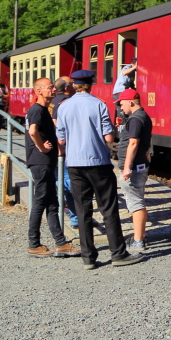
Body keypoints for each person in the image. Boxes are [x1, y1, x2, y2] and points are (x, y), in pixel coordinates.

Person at [55, 69, 144, 270]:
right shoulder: (98, 104)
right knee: (108, 209)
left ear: (74, 85)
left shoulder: (64, 107)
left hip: (75, 164)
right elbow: (109, 138)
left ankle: (88, 258)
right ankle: (118, 253)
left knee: (82, 210)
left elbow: (60, 138)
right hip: (98, 163)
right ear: (90, 84)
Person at [25, 77, 79, 258]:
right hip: (41, 163)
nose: (54, 90)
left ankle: (61, 243)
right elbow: (33, 131)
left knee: (52, 203)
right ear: (39, 91)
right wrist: (41, 147)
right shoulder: (37, 110)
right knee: (40, 202)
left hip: (45, 162)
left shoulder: (43, 109)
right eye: (50, 88)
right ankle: (34, 244)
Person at [114, 88, 152, 253]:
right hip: (139, 165)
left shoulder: (136, 119)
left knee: (135, 203)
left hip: (134, 168)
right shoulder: (141, 116)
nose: (121, 108)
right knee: (137, 202)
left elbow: (133, 143)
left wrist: (127, 167)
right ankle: (139, 236)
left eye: (121, 104)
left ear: (130, 102)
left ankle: (138, 240)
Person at [49, 76, 81, 231]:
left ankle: (72, 215)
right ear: (67, 88)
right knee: (68, 182)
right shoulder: (68, 103)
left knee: (60, 178)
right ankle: (76, 217)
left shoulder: (50, 102)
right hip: (64, 148)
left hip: (49, 148)